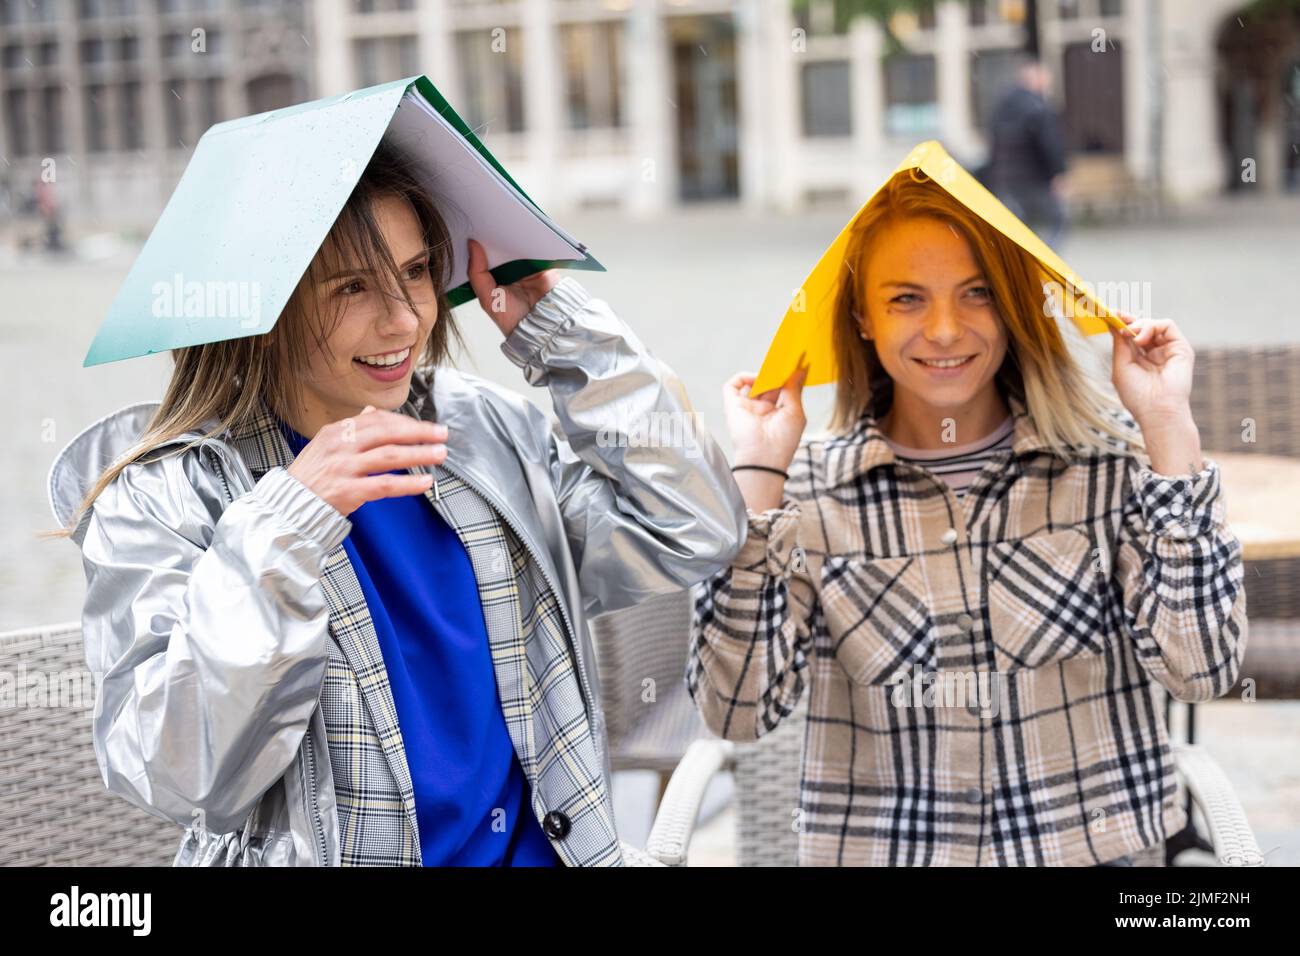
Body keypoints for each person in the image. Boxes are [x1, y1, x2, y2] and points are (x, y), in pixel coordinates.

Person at [49, 144, 746, 866]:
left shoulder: (477, 434)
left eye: (416, 273)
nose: (404, 321)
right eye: (351, 287)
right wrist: (283, 529)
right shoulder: (166, 497)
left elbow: (691, 525)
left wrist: (571, 340)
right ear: (263, 305)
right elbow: (176, 773)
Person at [688, 170, 1247, 866]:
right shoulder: (806, 495)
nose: (945, 330)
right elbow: (736, 711)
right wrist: (760, 478)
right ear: (862, 317)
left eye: (976, 293)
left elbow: (1204, 670)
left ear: (1013, 306)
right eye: (906, 299)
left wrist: (1167, 425)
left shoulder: (1105, 467)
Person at [985, 58, 1069, 247]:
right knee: (1059, 220)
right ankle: (1043, 263)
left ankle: (1022, 265)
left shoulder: (1001, 107)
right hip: (1034, 179)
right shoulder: (1037, 108)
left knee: (1019, 229)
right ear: (1035, 77)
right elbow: (1050, 145)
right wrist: (1058, 173)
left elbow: (992, 142)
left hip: (1006, 180)